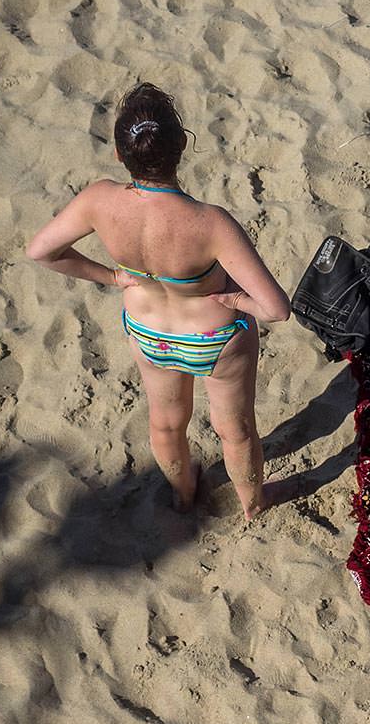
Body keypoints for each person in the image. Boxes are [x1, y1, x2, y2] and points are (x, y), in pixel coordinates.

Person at [26, 83, 291, 519]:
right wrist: (233, 297)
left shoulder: (99, 200)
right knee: (235, 432)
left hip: (149, 333)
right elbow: (275, 309)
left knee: (166, 422)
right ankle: (253, 504)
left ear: (118, 154)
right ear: (182, 146)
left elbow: (43, 251)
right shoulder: (210, 223)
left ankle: (182, 494)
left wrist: (110, 276)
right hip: (215, 336)